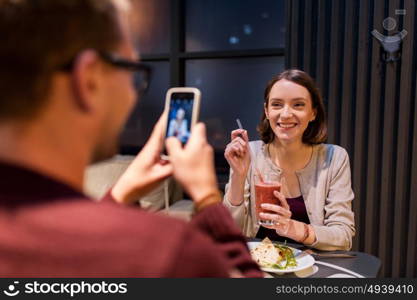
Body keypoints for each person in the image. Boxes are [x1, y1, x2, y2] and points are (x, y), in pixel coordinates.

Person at [0, 0, 262, 277]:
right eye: (133, 71)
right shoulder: (168, 254)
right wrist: (208, 198)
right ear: (89, 80)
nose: (133, 93)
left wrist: (120, 195)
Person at [223, 69, 355, 251]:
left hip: (312, 267)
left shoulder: (334, 158)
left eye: (298, 105)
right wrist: (239, 175)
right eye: (276, 104)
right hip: (257, 265)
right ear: (267, 111)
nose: (285, 114)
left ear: (313, 113)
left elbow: (343, 236)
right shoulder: (249, 153)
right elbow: (228, 232)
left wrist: (293, 228)